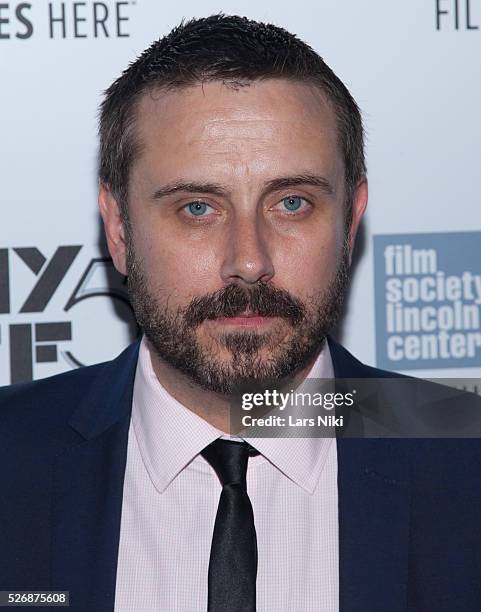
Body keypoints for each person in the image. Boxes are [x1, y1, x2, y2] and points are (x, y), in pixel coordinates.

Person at [1, 13, 481, 612]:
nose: (249, 261)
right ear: (119, 228)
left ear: (351, 220)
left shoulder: (468, 455)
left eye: (292, 202)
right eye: (198, 208)